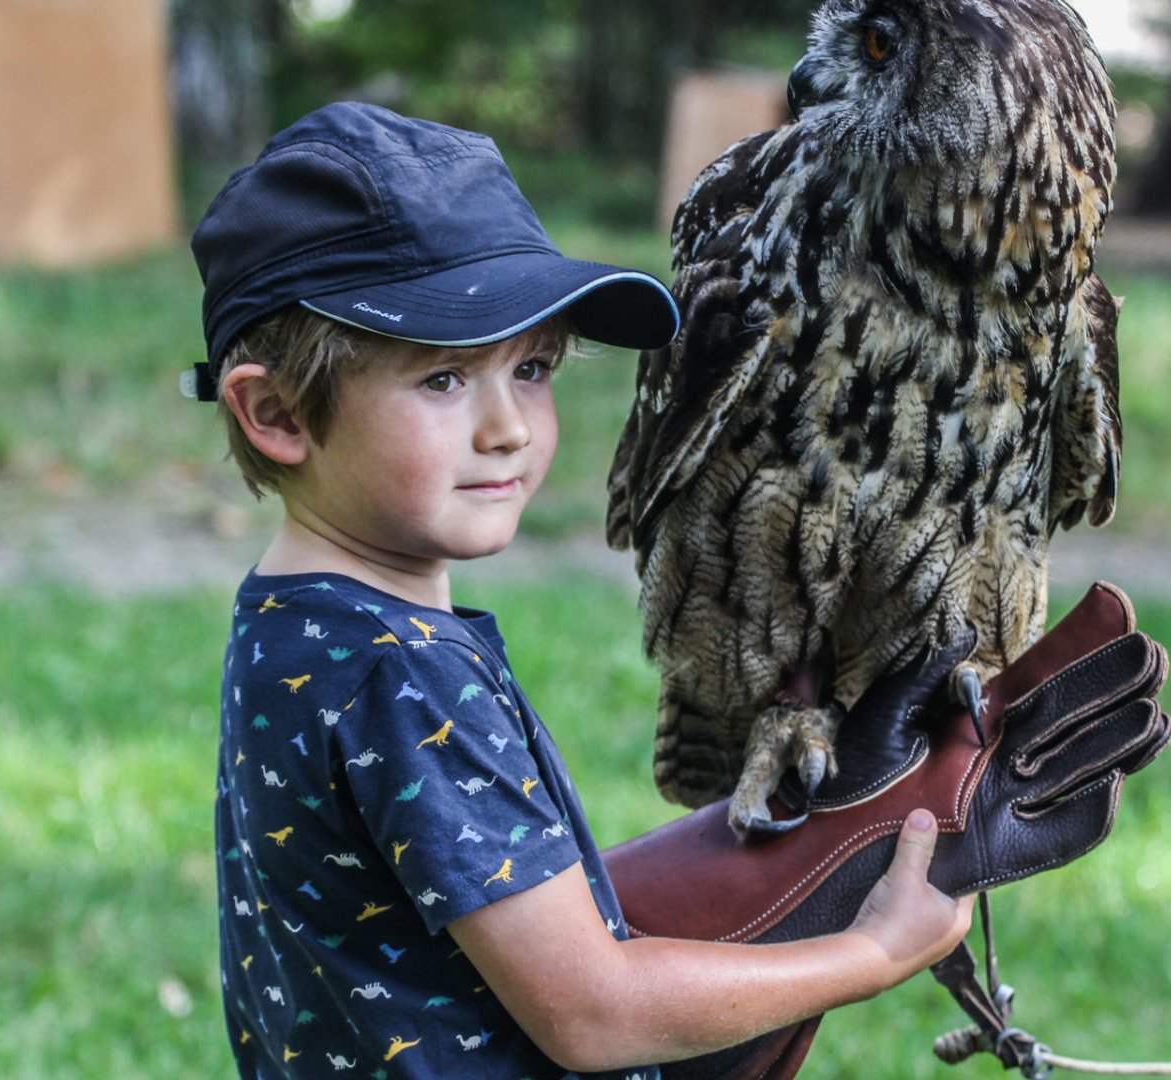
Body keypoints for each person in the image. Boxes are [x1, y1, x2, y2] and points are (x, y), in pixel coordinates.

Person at [186, 101, 974, 1079]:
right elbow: (594, 1014)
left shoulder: (291, 621)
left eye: (532, 368)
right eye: (443, 379)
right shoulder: (400, 677)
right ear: (276, 411)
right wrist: (873, 952)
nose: (509, 427)